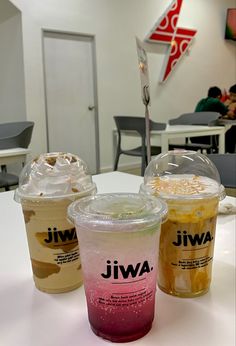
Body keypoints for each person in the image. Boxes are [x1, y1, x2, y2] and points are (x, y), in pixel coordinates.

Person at [192, 86, 228, 151]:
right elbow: (227, 112)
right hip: (207, 136)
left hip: (194, 135)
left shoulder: (201, 101)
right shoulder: (216, 101)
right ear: (219, 96)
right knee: (221, 128)